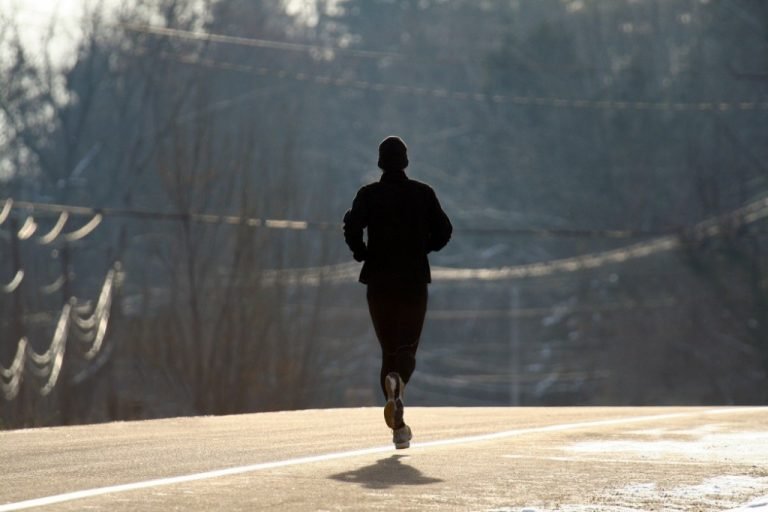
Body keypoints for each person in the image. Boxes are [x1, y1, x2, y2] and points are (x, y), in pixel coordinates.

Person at [343, 136, 452, 449]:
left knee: (388, 351)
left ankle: (398, 424)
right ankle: (398, 388)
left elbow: (351, 227)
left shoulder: (368, 195)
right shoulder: (423, 194)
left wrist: (362, 252)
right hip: (414, 280)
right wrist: (422, 248)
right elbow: (445, 231)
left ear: (380, 163)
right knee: (407, 349)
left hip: (379, 281)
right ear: (405, 162)